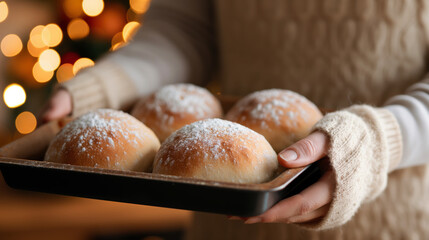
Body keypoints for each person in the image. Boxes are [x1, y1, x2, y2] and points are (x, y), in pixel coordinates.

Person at [40, 0, 429, 239]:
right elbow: (184, 30)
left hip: (392, 221)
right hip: (228, 217)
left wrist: (378, 141)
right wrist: (101, 87)